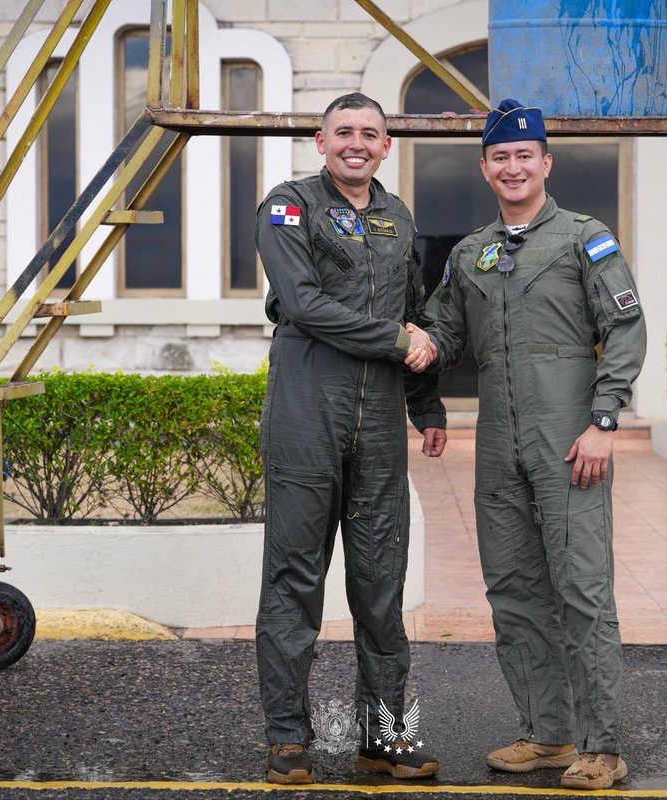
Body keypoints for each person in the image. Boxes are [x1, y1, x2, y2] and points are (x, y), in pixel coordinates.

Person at [425, 99, 647, 790]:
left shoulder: (585, 237)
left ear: (545, 162)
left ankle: (602, 746)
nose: (513, 166)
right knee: (515, 592)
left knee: (581, 591)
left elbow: (627, 330)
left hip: (569, 446)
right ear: (485, 167)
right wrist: (404, 350)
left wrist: (604, 421)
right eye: (501, 156)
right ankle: (547, 734)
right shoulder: (470, 254)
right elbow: (442, 337)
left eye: (526, 155)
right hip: (498, 448)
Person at [253, 92, 447, 785]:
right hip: (308, 415)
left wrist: (427, 405)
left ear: (387, 145)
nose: (356, 142)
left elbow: (415, 314)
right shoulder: (289, 206)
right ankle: (287, 739)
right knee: (295, 584)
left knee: (380, 588)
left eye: (370, 132)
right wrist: (398, 341)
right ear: (321, 140)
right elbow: (303, 304)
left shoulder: (397, 218)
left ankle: (383, 739)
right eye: (344, 132)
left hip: (379, 428)